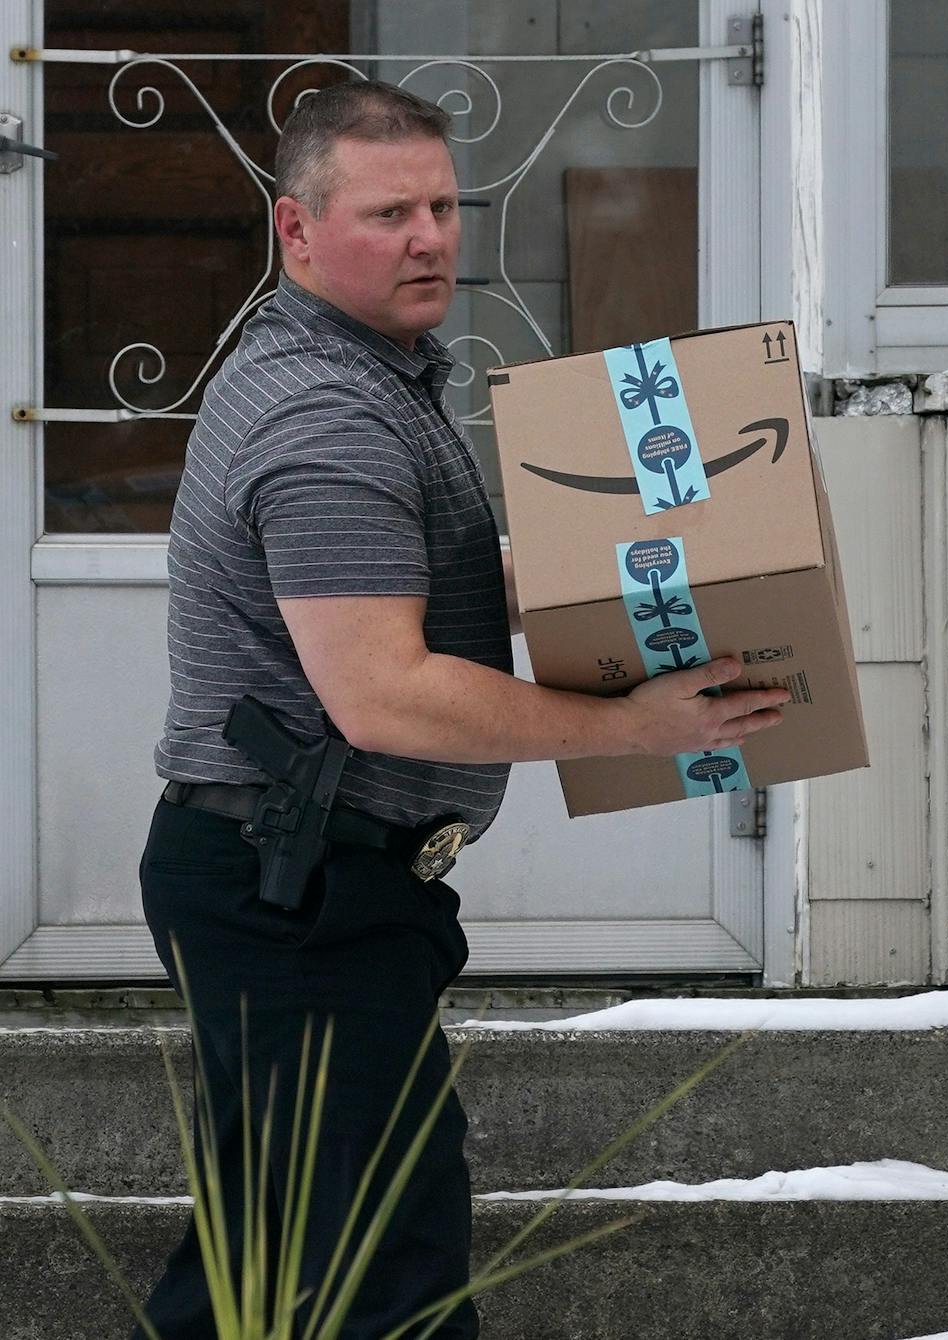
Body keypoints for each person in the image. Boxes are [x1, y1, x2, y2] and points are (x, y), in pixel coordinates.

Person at [136, 78, 789, 1340]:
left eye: (442, 203)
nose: (431, 235)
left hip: (314, 888)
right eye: (389, 212)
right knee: (369, 1276)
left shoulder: (370, 375)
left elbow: (410, 586)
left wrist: (633, 571)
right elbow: (382, 691)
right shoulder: (325, 413)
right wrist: (628, 726)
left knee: (284, 1260)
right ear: (298, 231)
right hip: (299, 899)